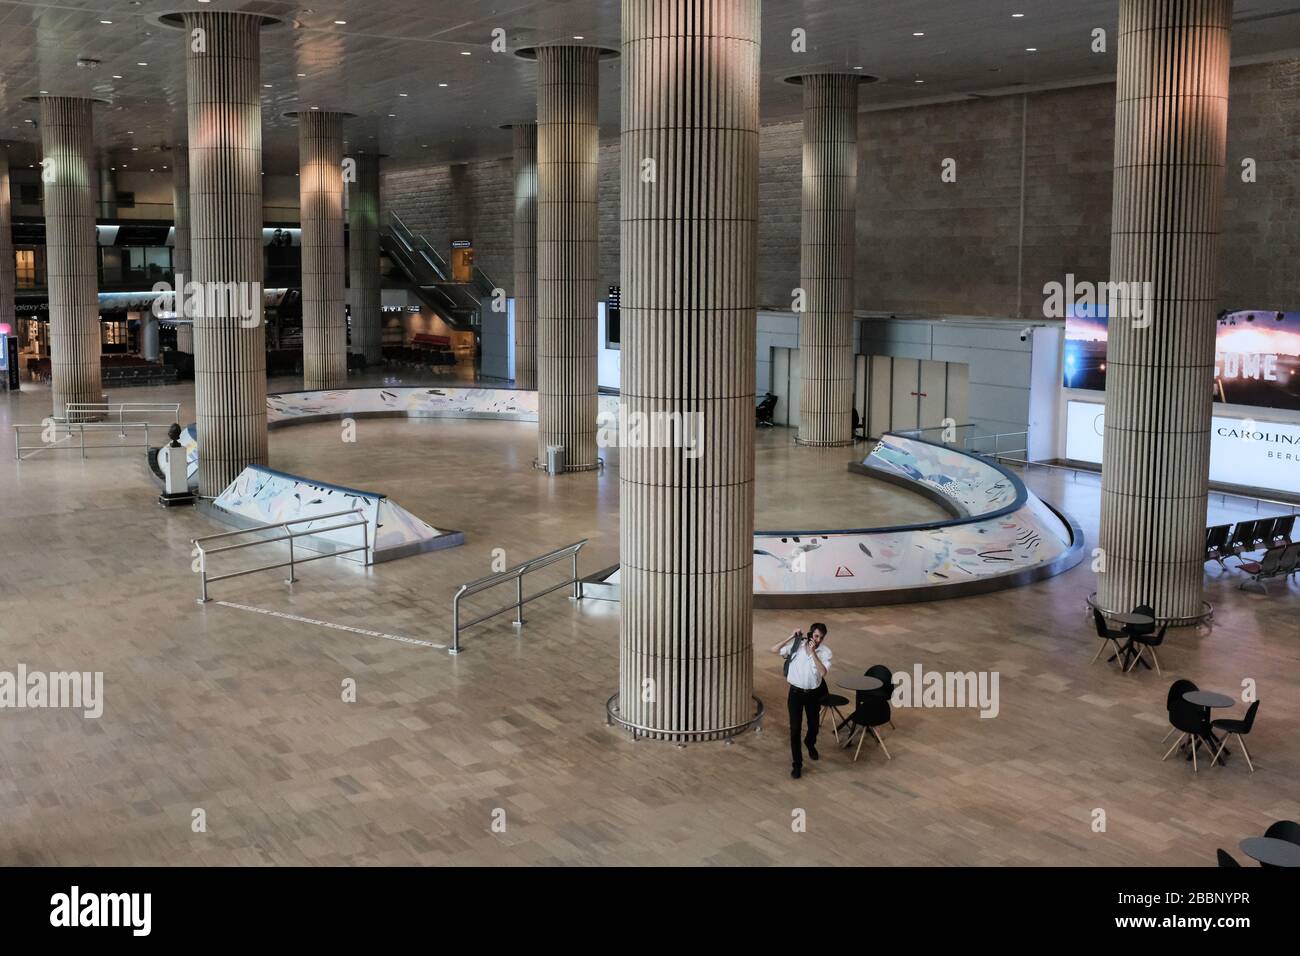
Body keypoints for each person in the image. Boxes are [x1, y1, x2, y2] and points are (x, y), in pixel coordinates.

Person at [770, 623, 832, 779]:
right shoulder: (797, 645)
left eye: (821, 637)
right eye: (816, 636)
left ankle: (810, 743)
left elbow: (823, 672)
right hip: (795, 694)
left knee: (813, 726)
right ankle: (797, 764)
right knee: (795, 729)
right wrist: (791, 636)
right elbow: (774, 649)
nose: (818, 640)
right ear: (811, 634)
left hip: (813, 694)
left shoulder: (825, 652)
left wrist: (813, 653)